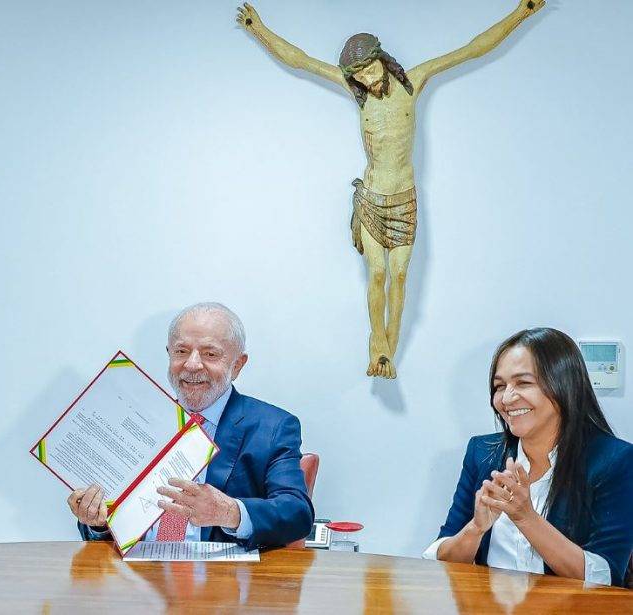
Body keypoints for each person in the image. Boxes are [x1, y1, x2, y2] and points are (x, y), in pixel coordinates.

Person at [236, 1, 545, 378]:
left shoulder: (413, 83)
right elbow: (300, 60)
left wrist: (521, 14)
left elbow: (472, 48)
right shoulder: (358, 95)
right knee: (377, 274)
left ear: (382, 58)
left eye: (368, 68)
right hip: (371, 198)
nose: (365, 78)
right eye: (358, 74)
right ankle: (375, 345)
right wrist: (258, 29)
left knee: (399, 275)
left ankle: (389, 352)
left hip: (403, 200)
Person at [67, 302, 314, 549]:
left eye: (210, 354)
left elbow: (297, 513)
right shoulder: (136, 423)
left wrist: (230, 512)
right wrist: (96, 522)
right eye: (181, 351)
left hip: (220, 580)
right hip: (137, 576)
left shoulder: (273, 427)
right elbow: (109, 528)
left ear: (237, 365)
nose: (192, 365)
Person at [424, 328, 633, 586]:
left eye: (523, 383)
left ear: (564, 385)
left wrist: (526, 518)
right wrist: (475, 529)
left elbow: (606, 576)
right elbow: (440, 558)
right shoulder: (482, 453)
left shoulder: (614, 460)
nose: (507, 398)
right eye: (500, 386)